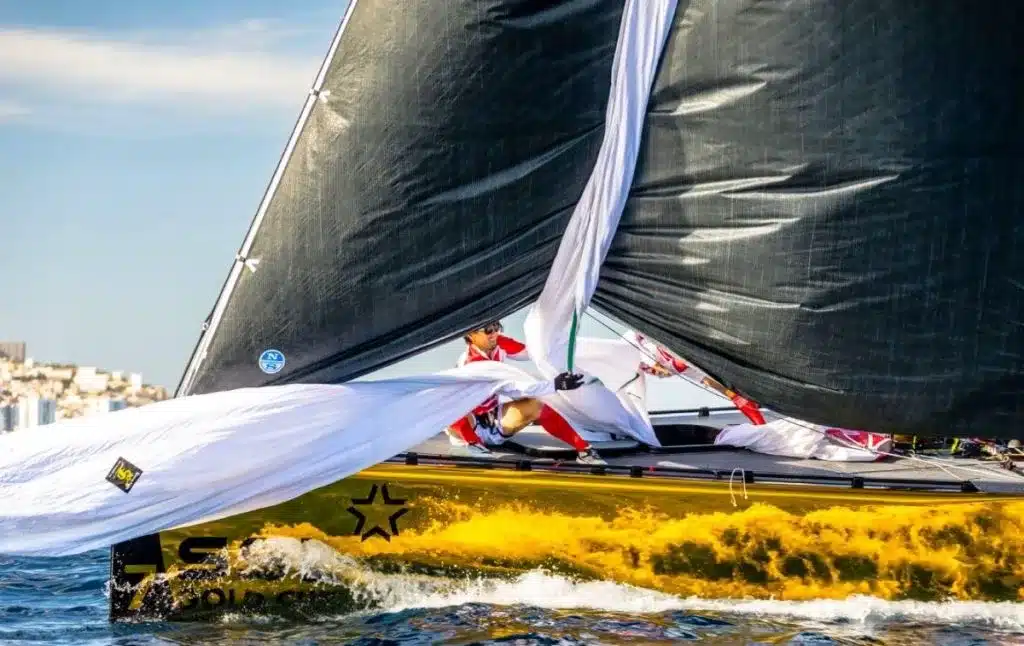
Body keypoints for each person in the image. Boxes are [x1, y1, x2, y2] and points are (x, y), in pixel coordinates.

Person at [446, 320, 606, 465]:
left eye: (496, 327)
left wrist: (557, 342)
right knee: (449, 407)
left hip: (493, 421)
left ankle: (584, 450)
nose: (494, 333)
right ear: (471, 335)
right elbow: (513, 388)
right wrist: (555, 385)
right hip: (467, 427)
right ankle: (474, 445)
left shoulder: (498, 343)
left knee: (538, 406)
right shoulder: (472, 363)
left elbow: (531, 352)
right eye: (488, 330)